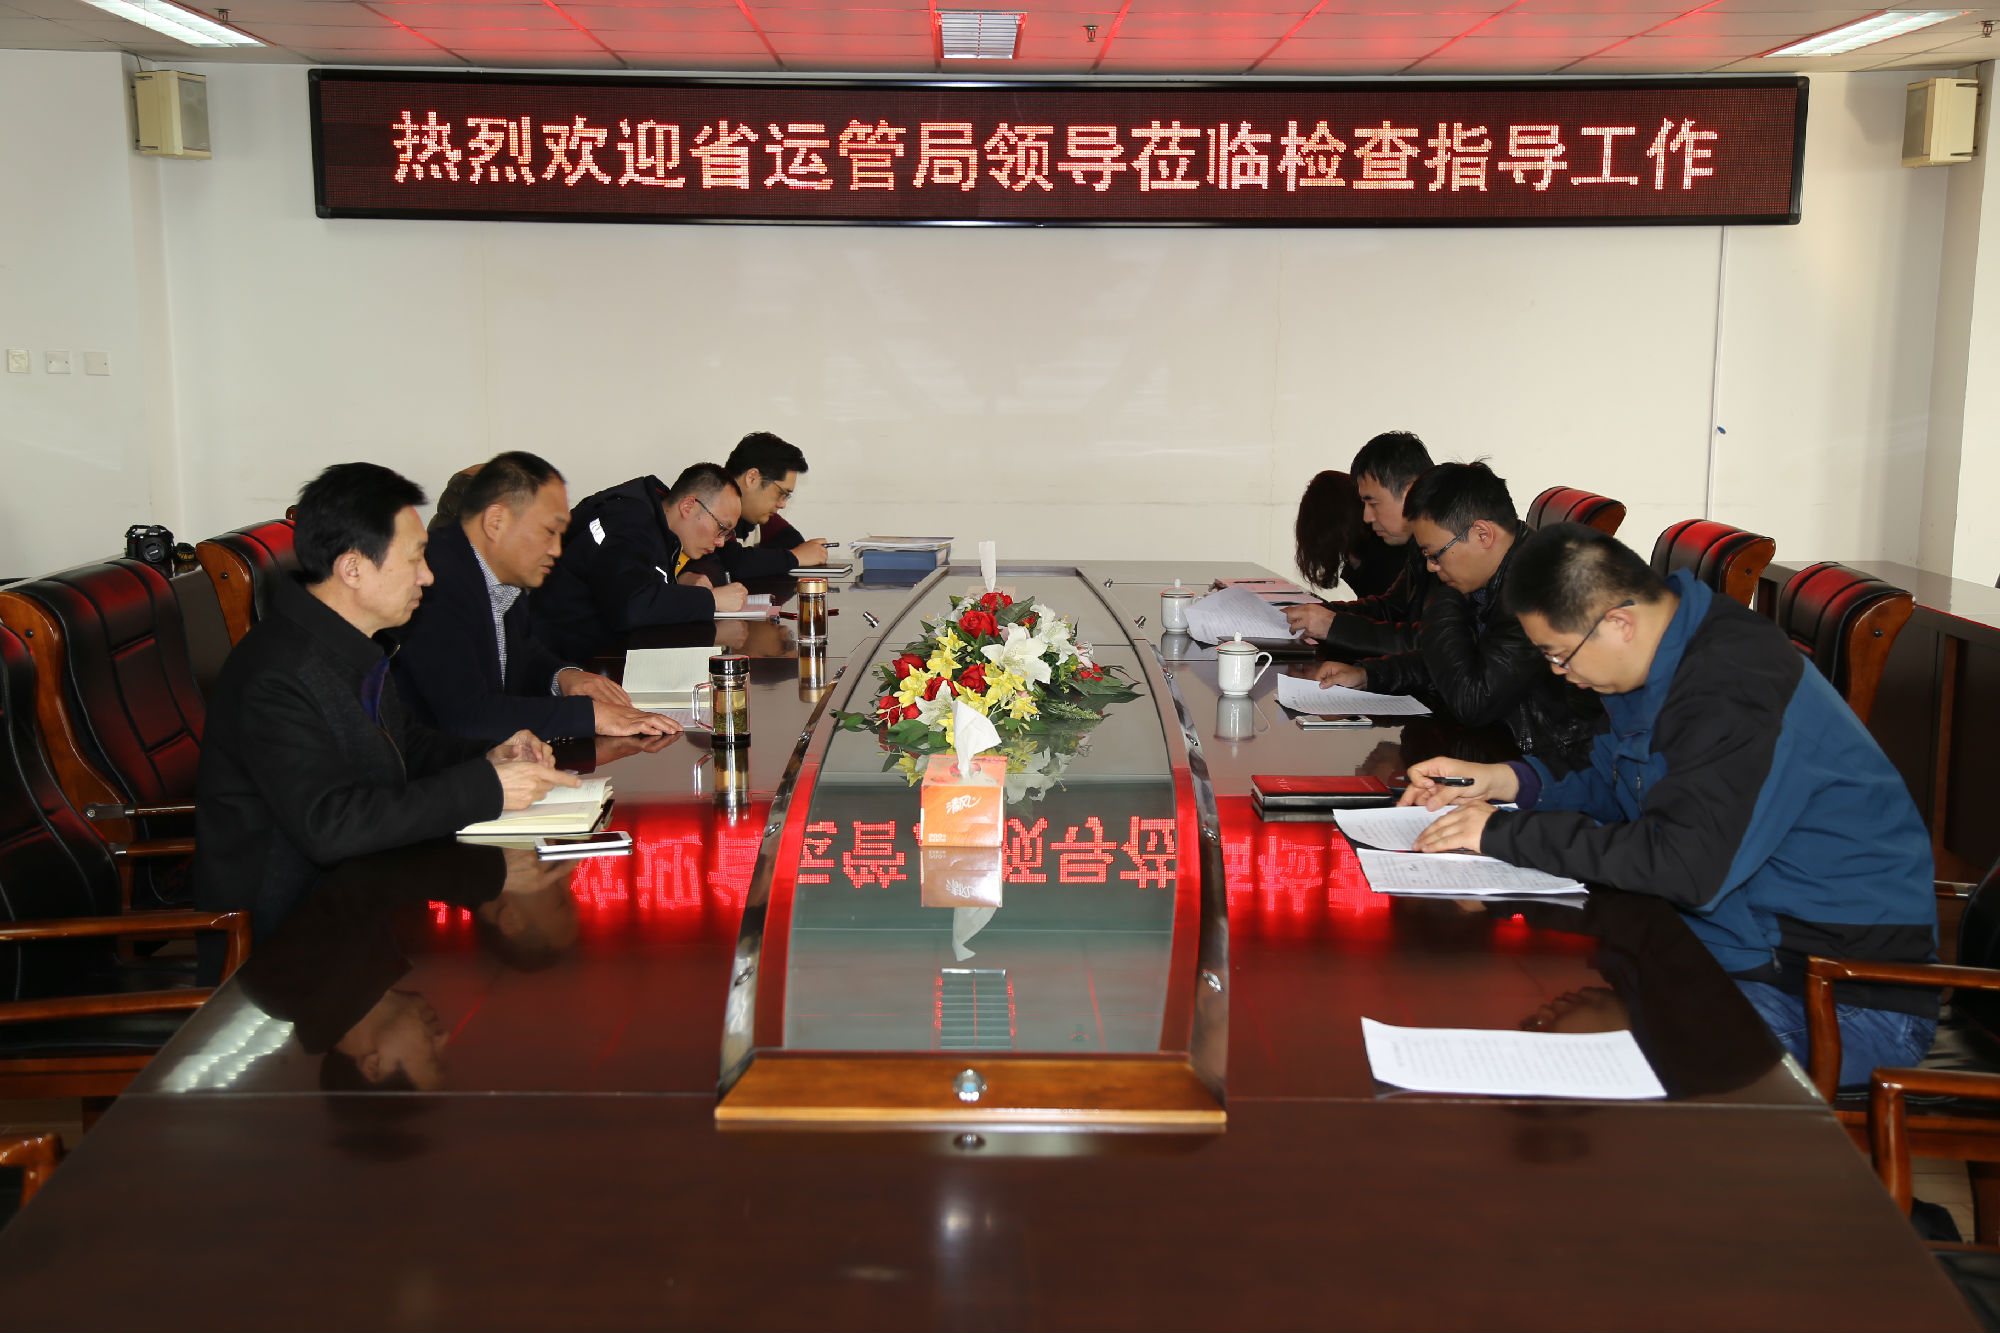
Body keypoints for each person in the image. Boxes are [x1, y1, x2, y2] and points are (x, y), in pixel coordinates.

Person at [1400, 522, 1938, 1087]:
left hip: (1835, 995)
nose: (1560, 674)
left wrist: (1502, 834)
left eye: (1560, 655)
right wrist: (1504, 781)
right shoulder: (1667, 657)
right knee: (1531, 1013)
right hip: (1728, 951)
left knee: (1584, 1080)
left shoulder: (1734, 686)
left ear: (1619, 623)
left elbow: (1687, 866)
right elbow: (1613, 778)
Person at [195, 463, 578, 947]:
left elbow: (404, 746)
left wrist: (491, 755)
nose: (428, 576)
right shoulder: (278, 674)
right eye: (416, 558)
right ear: (353, 568)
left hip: (361, 901)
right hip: (285, 939)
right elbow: (329, 826)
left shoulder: (352, 643)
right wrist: (487, 787)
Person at [1313, 461, 1601, 768]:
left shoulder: (1536, 591)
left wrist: (1444, 595)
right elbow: (1453, 660)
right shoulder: (1497, 569)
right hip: (1503, 749)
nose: (1431, 567)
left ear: (1482, 535)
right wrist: (1369, 675)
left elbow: (1473, 701)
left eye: (1435, 554)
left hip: (1552, 768)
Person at [394, 452, 680, 744]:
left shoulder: (502, 572)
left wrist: (564, 677)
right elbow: (467, 718)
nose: (556, 549)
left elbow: (523, 651)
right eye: (549, 531)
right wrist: (591, 715)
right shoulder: (434, 581)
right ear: (496, 522)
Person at [530, 463, 748, 661]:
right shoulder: (626, 521)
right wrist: (711, 600)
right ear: (688, 506)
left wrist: (684, 580)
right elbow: (631, 606)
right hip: (556, 664)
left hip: (598, 657)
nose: (721, 542)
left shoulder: (660, 525)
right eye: (721, 528)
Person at [1287, 431, 1433, 658]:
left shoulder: (1452, 548)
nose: (1366, 517)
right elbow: (1389, 609)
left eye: (1373, 503)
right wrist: (1320, 613)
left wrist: (1334, 625)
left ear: (1410, 492)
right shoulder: (1420, 547)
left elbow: (1430, 647)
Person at [685, 431, 831, 582]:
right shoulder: (711, 510)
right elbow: (734, 563)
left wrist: (794, 554)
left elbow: (793, 542)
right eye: (781, 493)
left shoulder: (755, 515)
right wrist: (795, 557)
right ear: (752, 478)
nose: (782, 504)